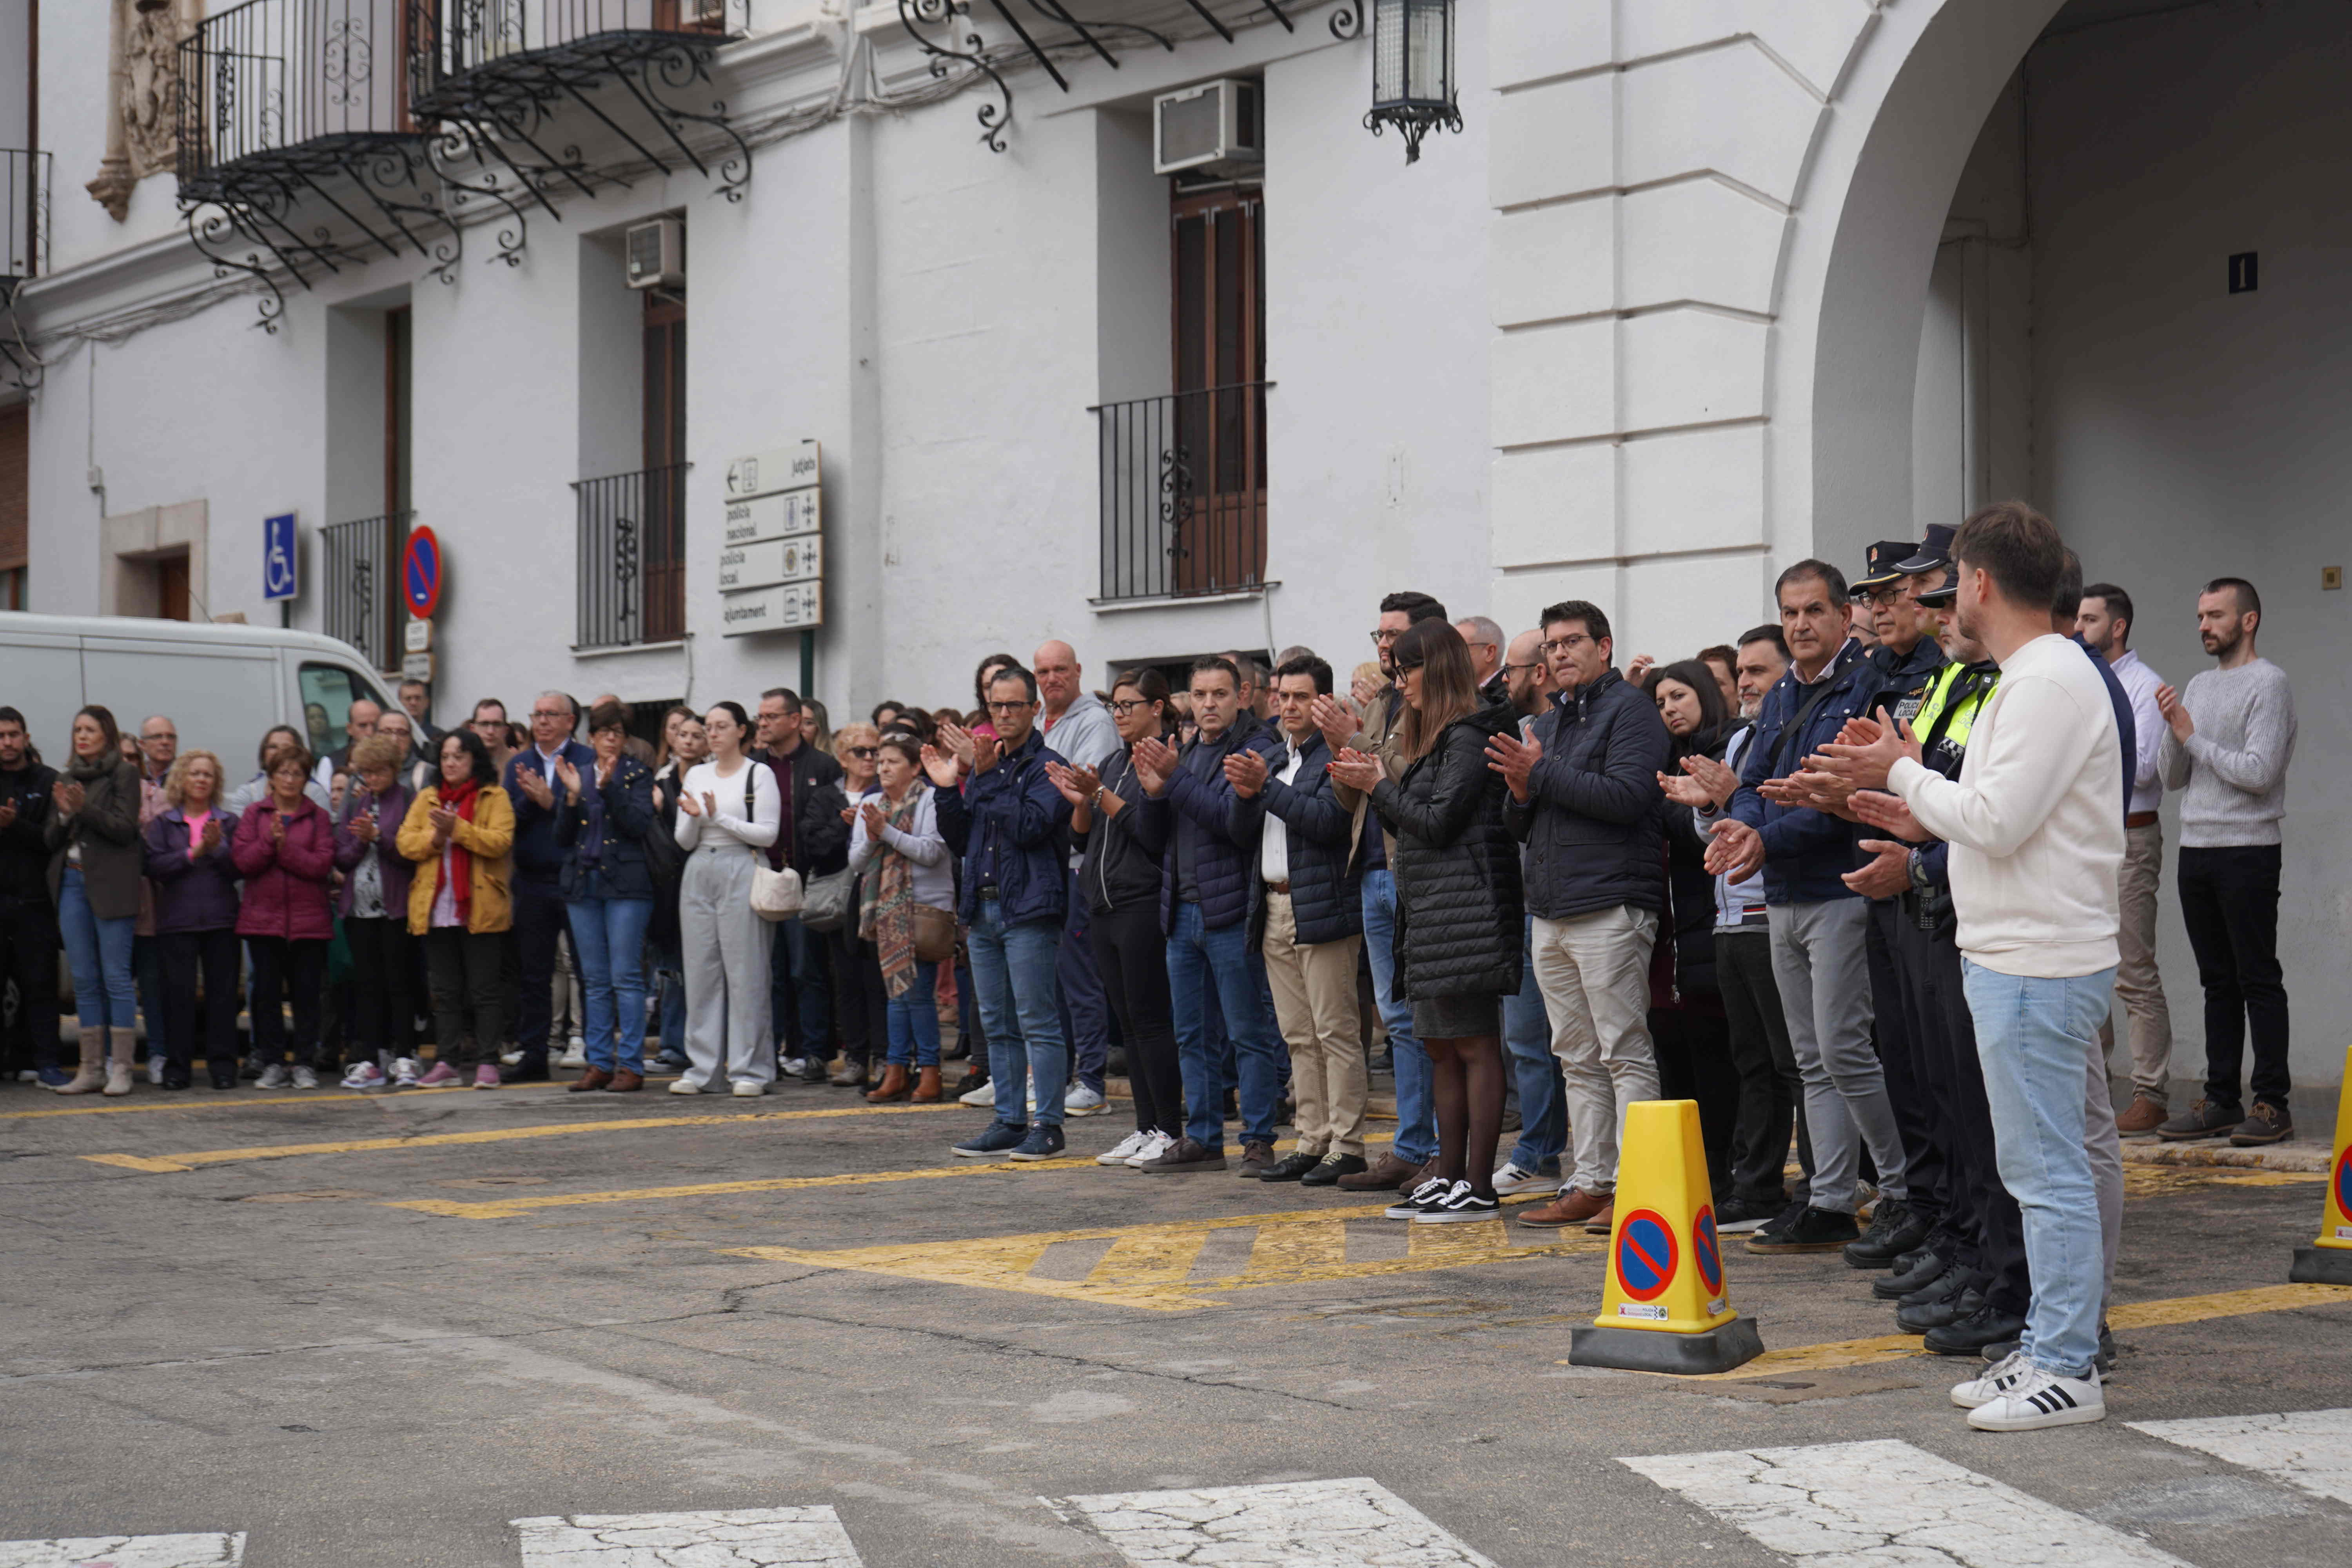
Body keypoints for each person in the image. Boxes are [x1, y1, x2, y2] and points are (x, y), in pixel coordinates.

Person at [1829, 501, 2124, 1432]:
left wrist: (1901, 774)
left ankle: (2068, 1363)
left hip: (2038, 958)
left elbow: (1994, 820)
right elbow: (1996, 813)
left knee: (2047, 1173)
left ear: (1982, 581)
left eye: (1954, 576)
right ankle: (2046, 1342)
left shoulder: (2042, 681)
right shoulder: (2028, 676)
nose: (1944, 593)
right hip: (2019, 951)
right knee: (2040, 1165)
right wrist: (1917, 807)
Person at [1704, 560, 1914, 1254]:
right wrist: (1741, 821)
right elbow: (1754, 782)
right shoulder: (1785, 691)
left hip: (1839, 889)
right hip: (1784, 893)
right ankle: (1827, 1197)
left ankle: (1902, 1187)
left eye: (1814, 611)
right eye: (1790, 613)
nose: (1800, 625)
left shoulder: (1864, 685)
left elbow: (1841, 803)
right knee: (1810, 1055)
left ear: (1840, 614)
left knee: (1847, 1049)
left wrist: (1759, 837)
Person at [1486, 602, 1670, 1235]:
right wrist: (1520, 792)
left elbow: (1627, 798)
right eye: (1552, 647)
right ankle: (1592, 1181)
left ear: (1606, 646)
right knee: (1575, 1056)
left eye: (1572, 643)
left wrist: (1541, 773)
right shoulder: (1553, 721)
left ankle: (1637, 1189)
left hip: (1612, 904)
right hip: (1552, 907)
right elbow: (1526, 821)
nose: (1559, 655)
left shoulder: (1632, 712)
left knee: (1623, 1050)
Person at [1331, 619, 1523, 1222]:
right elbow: (1411, 823)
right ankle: (1451, 1172)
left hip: (1466, 907)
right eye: (1393, 672)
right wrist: (1380, 788)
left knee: (1474, 1045)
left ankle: (1479, 1185)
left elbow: (1439, 822)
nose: (1400, 684)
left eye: (1406, 671)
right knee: (1440, 1047)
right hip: (1432, 911)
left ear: (1435, 669)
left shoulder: (1469, 733)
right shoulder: (1434, 737)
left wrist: (1377, 785)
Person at [1662, 624, 1800, 1231]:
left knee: (1791, 1061)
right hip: (1728, 919)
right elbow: (1712, 834)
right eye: (1740, 672)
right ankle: (1757, 1186)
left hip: (1773, 913)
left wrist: (1731, 797)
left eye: (1758, 672)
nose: (1744, 683)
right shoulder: (1743, 735)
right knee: (1751, 1060)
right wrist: (1709, 806)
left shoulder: (1792, 731)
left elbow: (1781, 813)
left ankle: (1819, 1186)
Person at [1129, 655, 1286, 1175]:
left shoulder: (1261, 748)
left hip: (1230, 913)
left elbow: (1231, 824)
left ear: (1243, 695)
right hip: (1182, 912)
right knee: (1191, 1035)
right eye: (1199, 695)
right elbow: (1157, 839)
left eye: (1219, 694)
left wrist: (1172, 780)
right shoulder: (1189, 751)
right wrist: (1154, 794)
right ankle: (1201, 1137)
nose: (1208, 705)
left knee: (1247, 1033)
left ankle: (1259, 1137)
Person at [2154, 578, 2298, 1146]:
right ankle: (2221, 1100)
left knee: (2257, 976)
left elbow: (2260, 774)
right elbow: (2172, 779)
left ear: (2249, 620)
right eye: (2200, 616)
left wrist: (2193, 736)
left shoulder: (2270, 684)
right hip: (2198, 848)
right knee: (2217, 981)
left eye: (2215, 615)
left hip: (2249, 849)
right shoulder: (2197, 684)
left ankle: (2273, 1104)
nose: (2204, 626)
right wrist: (2173, 729)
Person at [1844, 536, 1952, 1272]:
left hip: (1930, 881)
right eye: (1875, 596)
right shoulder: (1872, 673)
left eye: (1899, 592)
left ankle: (1952, 1227)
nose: (1883, 607)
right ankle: (1924, 1208)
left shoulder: (1946, 675)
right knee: (1903, 1059)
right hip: (1879, 872)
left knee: (1946, 1075)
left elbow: (1947, 785)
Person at [1321, 590, 1451, 1196]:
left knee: (1430, 1019)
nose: (1382, 646)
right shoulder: (1384, 700)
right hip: (1370, 867)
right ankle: (1409, 1145)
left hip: (1415, 869)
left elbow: (1408, 777)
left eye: (1393, 635)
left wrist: (1360, 746)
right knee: (1396, 1019)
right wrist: (1341, 752)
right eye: (1377, 635)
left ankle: (1442, 1153)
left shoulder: (1439, 703)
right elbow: (1359, 787)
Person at [1232, 653, 1368, 1185]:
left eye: (1300, 697)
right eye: (1281, 696)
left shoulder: (1332, 757)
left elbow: (1327, 822)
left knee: (1336, 1030)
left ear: (1324, 702)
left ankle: (1348, 1142)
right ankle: (1311, 1138)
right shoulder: (1271, 755)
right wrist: (1246, 794)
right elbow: (1241, 831)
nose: (1288, 706)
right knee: (1296, 1034)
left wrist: (1265, 787)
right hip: (1271, 902)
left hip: (1321, 904)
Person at [1045, 669, 1185, 1170]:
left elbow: (1150, 833)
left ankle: (1169, 1129)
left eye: (1129, 705)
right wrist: (1083, 803)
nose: (1120, 714)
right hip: (1101, 904)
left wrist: (1101, 795)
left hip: (1140, 903)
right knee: (1125, 1022)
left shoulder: (1166, 759)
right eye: (1115, 707)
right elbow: (1082, 841)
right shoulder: (1112, 760)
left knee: (1150, 1021)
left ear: (1158, 707)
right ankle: (1145, 1126)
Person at [938, 664, 1075, 1162]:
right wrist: (945, 787)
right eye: (995, 705)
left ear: (1034, 709)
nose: (1003, 714)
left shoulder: (1048, 766)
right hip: (985, 906)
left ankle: (1049, 1125)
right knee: (995, 1022)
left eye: (1013, 705)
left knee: (1037, 1019)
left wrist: (987, 775)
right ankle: (1009, 1119)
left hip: (1030, 908)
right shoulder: (984, 765)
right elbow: (960, 838)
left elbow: (1031, 826)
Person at [1642, 661, 1741, 1204]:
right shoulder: (1659, 763)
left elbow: (1700, 834)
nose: (1670, 708)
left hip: (1710, 925)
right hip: (1667, 938)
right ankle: (1690, 1178)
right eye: (1660, 702)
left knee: (1716, 1058)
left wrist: (1691, 803)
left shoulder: (1724, 752)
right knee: (1672, 1054)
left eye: (1679, 695)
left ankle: (1723, 1175)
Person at [2074, 583, 2172, 1135]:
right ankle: (2095, 1085)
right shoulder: (2084, 682)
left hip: (2132, 836)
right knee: (2088, 961)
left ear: (2118, 627)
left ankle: (2151, 1090)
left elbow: (2141, 772)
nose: (2078, 628)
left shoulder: (2144, 685)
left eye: (2089, 619)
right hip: (2090, 838)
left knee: (2133, 969)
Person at [1491, 629, 1570, 1200]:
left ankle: (1560, 1154)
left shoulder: (1565, 730)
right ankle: (1538, 1154)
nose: (1504, 682)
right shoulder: (1506, 731)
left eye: (1512, 671)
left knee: (1577, 1046)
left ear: (1537, 674)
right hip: (1519, 902)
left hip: (1564, 901)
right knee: (1525, 1041)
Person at [672, 702, 781, 1097]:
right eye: (708, 727)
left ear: (741, 731)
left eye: (721, 727)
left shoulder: (759, 773)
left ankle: (750, 1068)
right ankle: (703, 1069)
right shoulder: (698, 772)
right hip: (700, 867)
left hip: (743, 864)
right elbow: (683, 840)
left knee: (746, 971)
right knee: (701, 971)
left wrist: (717, 817)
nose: (712, 734)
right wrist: (695, 816)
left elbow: (768, 834)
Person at [398, 729, 517, 1089]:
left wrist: (459, 829)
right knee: (446, 992)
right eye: (446, 757)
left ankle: (487, 1061)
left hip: (480, 908)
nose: (450, 763)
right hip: (437, 909)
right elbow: (405, 842)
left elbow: (500, 841)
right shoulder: (427, 798)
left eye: (459, 757)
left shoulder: (494, 796)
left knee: (484, 990)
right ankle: (447, 1061)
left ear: (474, 761)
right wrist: (436, 837)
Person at [1035, 640, 1120, 1119]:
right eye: (1044, 671)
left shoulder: (1093, 721)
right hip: (1044, 866)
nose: (1052, 679)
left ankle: (1091, 1079)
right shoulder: (1037, 722)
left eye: (1060, 669)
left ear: (1079, 671)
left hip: (1078, 864)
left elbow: (1082, 789)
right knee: (1054, 980)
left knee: (1082, 978)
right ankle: (1058, 1075)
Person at [555, 700, 658, 1093]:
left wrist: (609, 787)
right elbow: (561, 838)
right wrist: (568, 799)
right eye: (603, 733)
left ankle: (630, 1065)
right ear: (591, 738)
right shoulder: (576, 774)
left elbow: (638, 825)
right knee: (594, 980)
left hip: (628, 886)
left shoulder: (637, 774)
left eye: (618, 733)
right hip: (585, 885)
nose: (611, 740)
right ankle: (598, 1062)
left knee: (626, 977)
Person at [47, 706, 145, 1096]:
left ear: (107, 733)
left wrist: (82, 808)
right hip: (71, 882)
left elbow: (125, 828)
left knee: (116, 977)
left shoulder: (125, 773)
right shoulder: (65, 777)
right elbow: (49, 840)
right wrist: (64, 815)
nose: (81, 736)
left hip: (110, 884)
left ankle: (120, 1066)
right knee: (85, 979)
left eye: (89, 729)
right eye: (76, 730)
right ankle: (91, 1069)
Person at [850, 735, 953, 1103]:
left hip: (922, 910)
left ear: (914, 768)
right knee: (896, 996)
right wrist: (871, 836)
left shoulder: (928, 800)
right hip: (886, 909)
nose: (884, 768)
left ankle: (930, 1073)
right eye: (881, 762)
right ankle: (895, 1071)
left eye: (893, 762)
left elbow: (930, 852)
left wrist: (887, 832)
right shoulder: (870, 802)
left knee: (920, 994)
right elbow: (857, 864)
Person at [500, 692, 595, 1082]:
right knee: (534, 973)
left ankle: (596, 1053)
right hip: (533, 880)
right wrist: (532, 800)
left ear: (570, 721)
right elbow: (507, 820)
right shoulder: (519, 763)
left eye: (550, 714)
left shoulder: (586, 759)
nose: (541, 721)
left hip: (575, 877)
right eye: (536, 714)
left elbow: (590, 815)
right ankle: (534, 1055)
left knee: (587, 970)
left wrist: (551, 801)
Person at [753, 687, 846, 1082]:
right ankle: (768, 1052)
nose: (763, 724)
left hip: (806, 881)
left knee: (806, 971)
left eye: (772, 716)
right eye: (761, 717)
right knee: (766, 973)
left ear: (795, 720)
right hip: (760, 878)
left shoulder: (822, 766)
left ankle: (814, 1052)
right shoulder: (753, 765)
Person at [233, 743, 336, 1091]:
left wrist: (283, 849)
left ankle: (305, 1062)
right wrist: (268, 844)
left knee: (307, 996)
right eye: (283, 773)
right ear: (271, 777)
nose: (290, 779)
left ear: (306, 779)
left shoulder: (318, 817)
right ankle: (274, 1062)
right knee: (266, 996)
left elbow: (321, 865)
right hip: (264, 920)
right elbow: (242, 862)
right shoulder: (254, 814)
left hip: (309, 922)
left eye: (298, 773)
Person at [143, 750, 241, 1091]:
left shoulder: (228, 823)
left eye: (208, 775)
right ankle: (178, 1067)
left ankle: (224, 1067)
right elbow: (156, 868)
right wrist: (193, 853)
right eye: (195, 773)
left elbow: (238, 869)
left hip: (221, 920)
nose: (201, 779)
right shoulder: (163, 824)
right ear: (182, 779)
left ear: (215, 783)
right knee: (178, 998)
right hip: (178, 922)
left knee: (223, 998)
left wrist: (218, 849)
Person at [332, 736, 418, 1088]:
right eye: (366, 772)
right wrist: (362, 840)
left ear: (393, 770)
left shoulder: (409, 799)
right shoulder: (357, 803)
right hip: (360, 909)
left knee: (400, 983)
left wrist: (379, 836)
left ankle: (404, 1056)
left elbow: (410, 852)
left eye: (379, 771)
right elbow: (342, 856)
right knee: (366, 985)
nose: (373, 778)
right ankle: (369, 1058)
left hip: (397, 908)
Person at [0, 708, 63, 1086]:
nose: (7, 742)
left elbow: (50, 840)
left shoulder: (48, 780)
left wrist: (14, 825)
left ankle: (46, 1063)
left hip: (35, 902)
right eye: (1, 735)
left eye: (13, 734)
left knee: (40, 986)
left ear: (26, 737)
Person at [825, 722, 888, 1089]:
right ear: (843, 758)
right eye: (860, 752)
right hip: (842, 896)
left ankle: (883, 1056)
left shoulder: (887, 793)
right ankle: (856, 1055)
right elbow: (813, 843)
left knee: (877, 981)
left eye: (874, 751)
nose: (870, 758)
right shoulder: (828, 797)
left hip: (880, 892)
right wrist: (845, 828)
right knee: (846, 978)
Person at [647, 707, 706, 1072]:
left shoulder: (713, 778)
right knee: (669, 970)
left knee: (703, 969)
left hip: (702, 878)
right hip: (666, 886)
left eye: (696, 735)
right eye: (682, 734)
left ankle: (704, 1047)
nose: (688, 741)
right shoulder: (661, 780)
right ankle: (672, 1047)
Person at [225, 727, 330, 815]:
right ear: (264, 753)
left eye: (286, 747)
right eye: (273, 747)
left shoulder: (316, 793)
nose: (278, 752)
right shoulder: (247, 794)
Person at [312, 698, 383, 796]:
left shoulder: (391, 761)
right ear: (349, 729)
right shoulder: (330, 763)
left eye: (375, 726)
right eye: (363, 726)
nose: (370, 732)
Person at [1455, 616, 1508, 706]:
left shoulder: (1506, 696)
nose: (1452, 656)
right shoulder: (1464, 693)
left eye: (1460, 648)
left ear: (1490, 653)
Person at [1697, 646, 1740, 716]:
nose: (1707, 690)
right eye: (1702, 684)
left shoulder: (1756, 726)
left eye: (1717, 684)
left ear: (1740, 690)